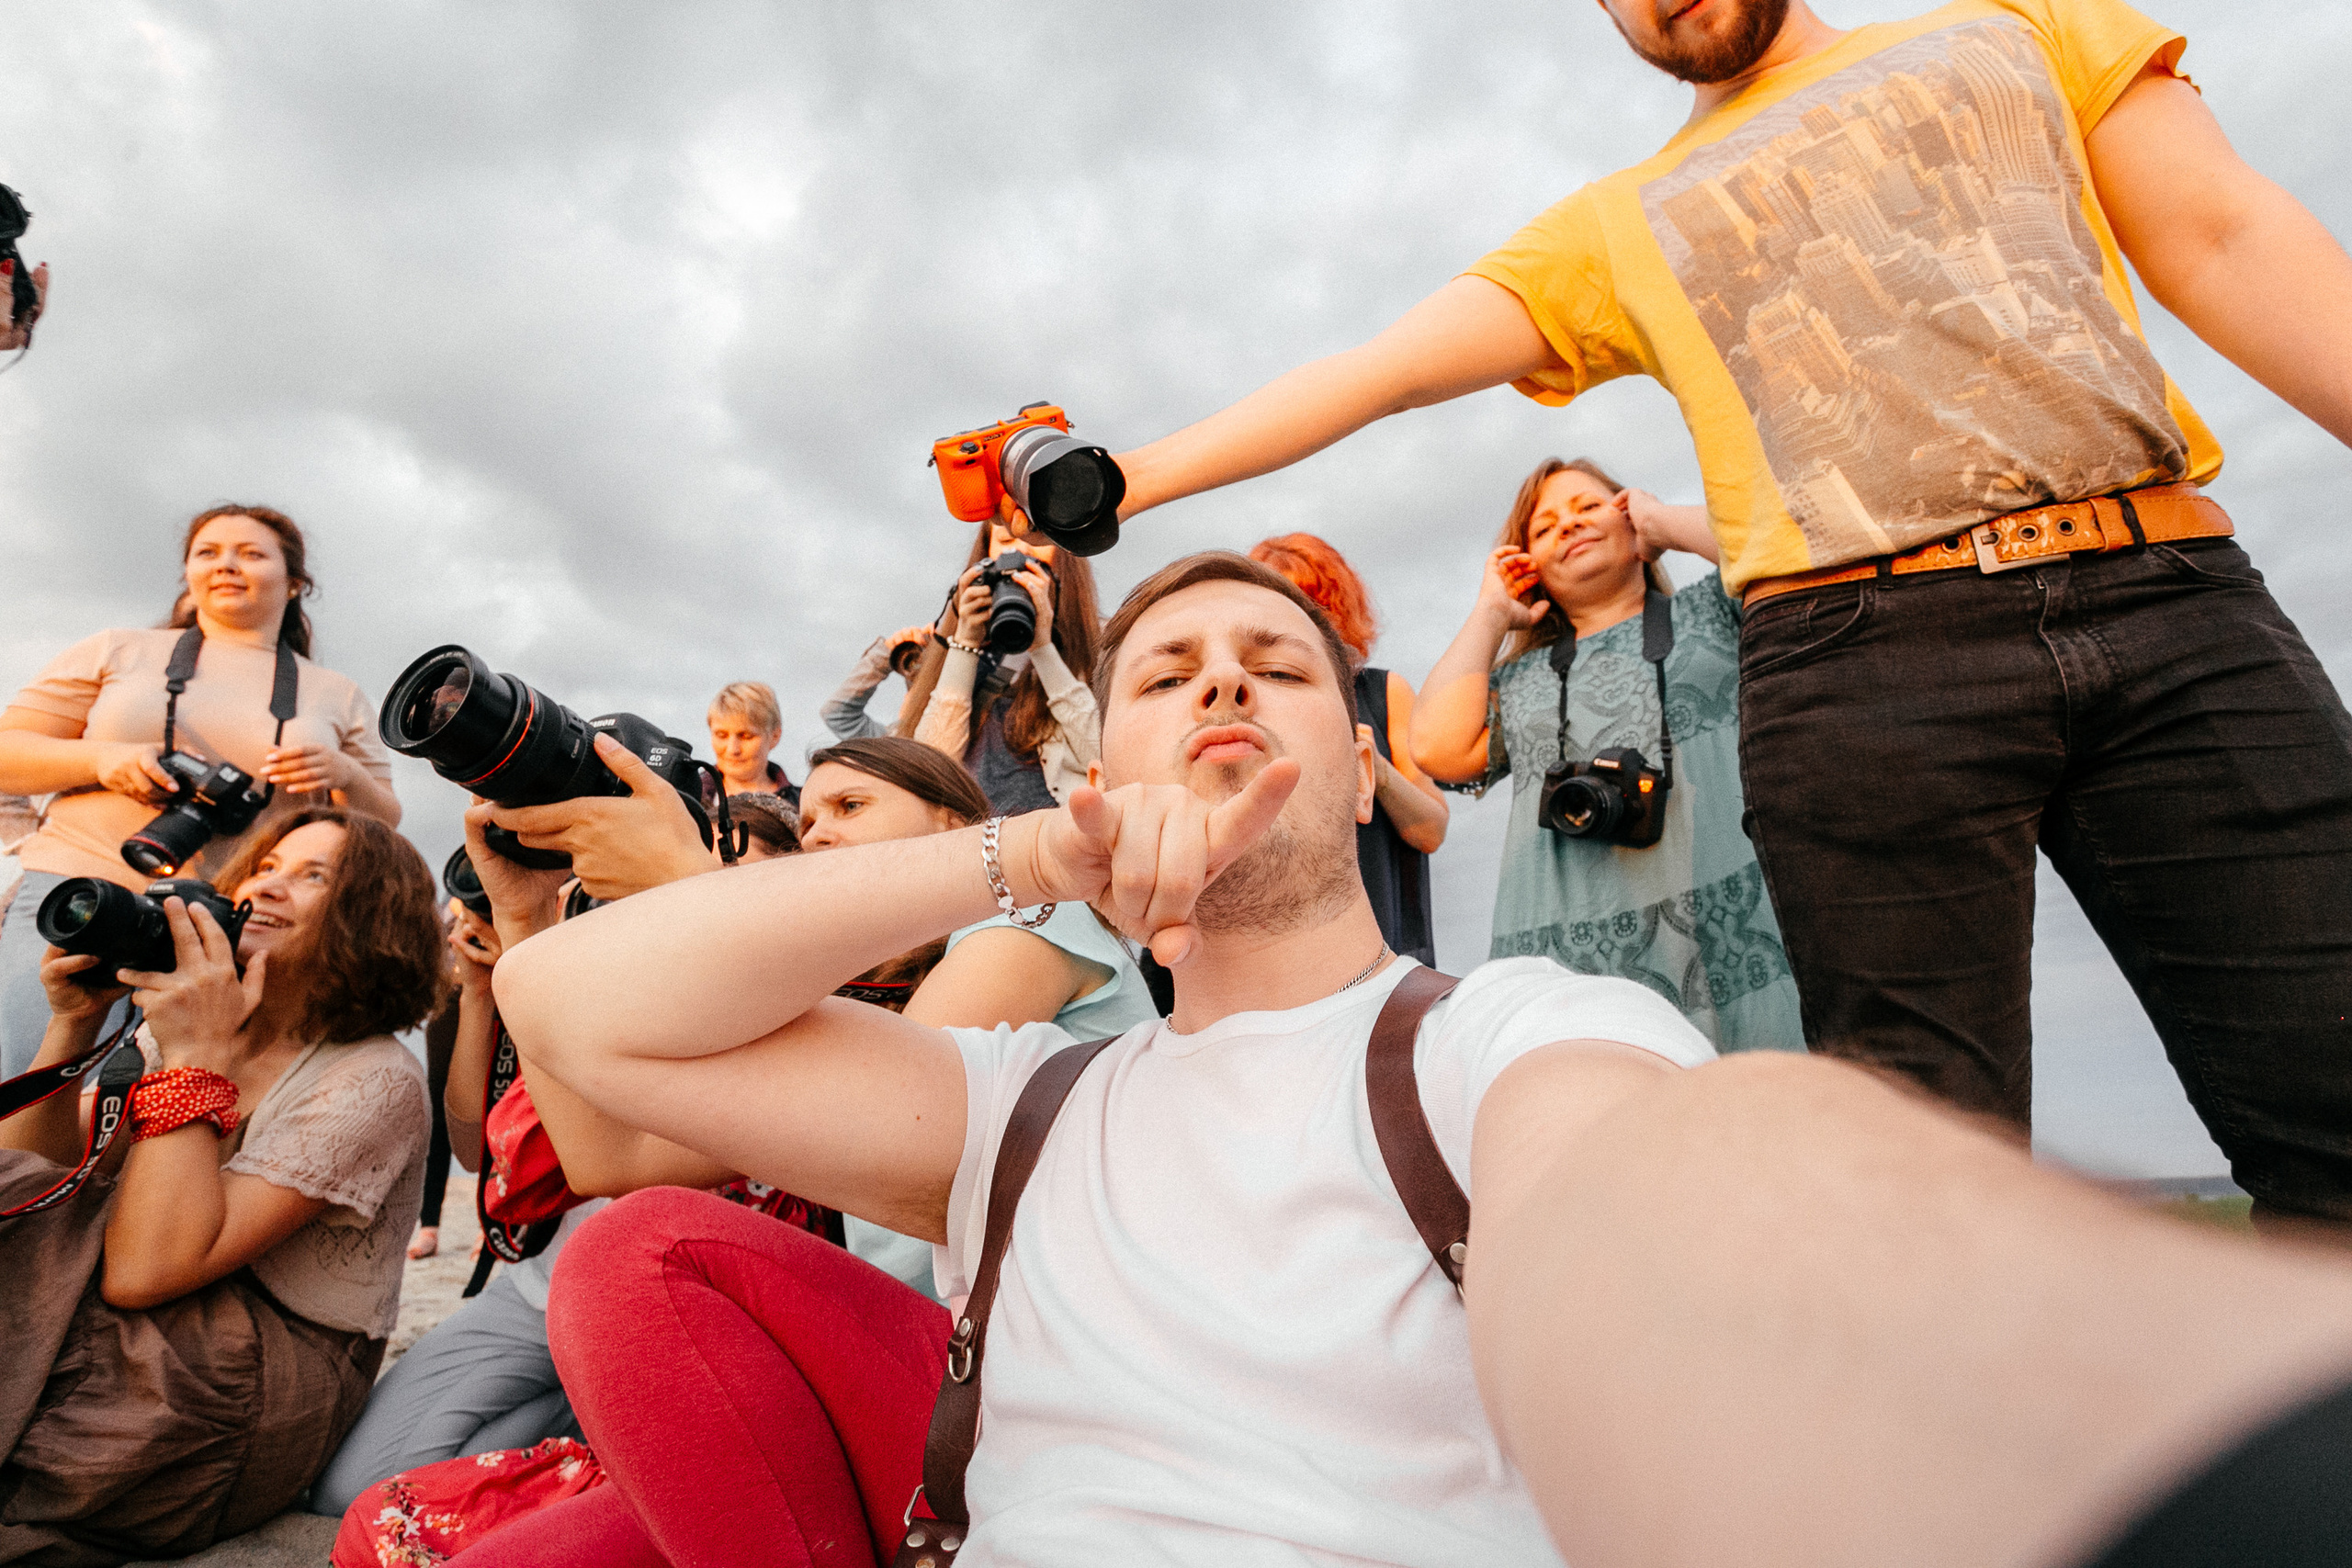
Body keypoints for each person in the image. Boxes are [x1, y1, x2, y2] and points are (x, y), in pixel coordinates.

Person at [1095, 0, 2352, 1230]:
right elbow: (1380, 370)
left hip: (2168, 593)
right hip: (1861, 657)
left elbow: (2228, 232)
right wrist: (1119, 478)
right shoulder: (1609, 224)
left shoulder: (2029, 26)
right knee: (1932, 1182)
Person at [449, 553, 1712, 1567]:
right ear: (1100, 777)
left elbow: (1643, 1194)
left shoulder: (1502, 1032)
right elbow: (567, 1002)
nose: (1224, 684)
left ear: (1365, 766)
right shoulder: (1025, 1098)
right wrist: (1036, 857)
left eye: (1275, 666)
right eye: (1168, 677)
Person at [0, 807, 441, 1565]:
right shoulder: (194, 1024)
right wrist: (74, 1026)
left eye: (314, 876)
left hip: (243, 1379)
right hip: (149, 1318)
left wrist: (194, 1051)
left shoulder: (375, 1078)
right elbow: (31, 1181)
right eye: (266, 865)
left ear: (372, 918)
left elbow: (148, 1271)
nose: (269, 886)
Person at [1411, 457, 1803, 1054]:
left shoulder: (1710, 611)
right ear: (1527, 567)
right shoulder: (1521, 676)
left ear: (1630, 520)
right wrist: (1491, 611)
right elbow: (1437, 748)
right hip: (1566, 951)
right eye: (1543, 529)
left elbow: (1782, 549)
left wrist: (1664, 522)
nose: (1568, 526)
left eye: (1589, 507)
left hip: (1730, 929)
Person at [0, 504, 401, 1077]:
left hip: (224, 926)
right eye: (207, 553)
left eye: (252, 553)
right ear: (188, 574)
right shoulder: (118, 649)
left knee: (169, 1111)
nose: (227, 565)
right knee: (27, 1083)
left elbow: (382, 825)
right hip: (81, 889)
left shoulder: (334, 693)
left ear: (295, 584)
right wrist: (106, 760)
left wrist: (345, 775)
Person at [1250, 532, 1448, 965]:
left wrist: (1375, 769)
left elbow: (1431, 830)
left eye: (1312, 603)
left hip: (1380, 941)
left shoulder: (1382, 691)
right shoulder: (1242, 702)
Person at [897, 514, 1102, 816]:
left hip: (1051, 845)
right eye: (1004, 542)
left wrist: (1043, 648)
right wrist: (964, 639)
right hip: (969, 846)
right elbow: (931, 770)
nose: (1019, 554)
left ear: (1063, 551)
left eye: (1035, 541)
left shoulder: (1098, 641)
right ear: (985, 559)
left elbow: (1103, 754)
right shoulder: (957, 649)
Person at [820, 621, 937, 741]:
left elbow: (837, 715)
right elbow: (836, 714)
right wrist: (890, 648)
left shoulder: (898, 748)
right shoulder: (898, 742)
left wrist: (886, 652)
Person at [706, 681, 798, 808]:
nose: (733, 749)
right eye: (722, 735)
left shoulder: (803, 806)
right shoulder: (683, 800)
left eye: (746, 736)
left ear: (775, 736)